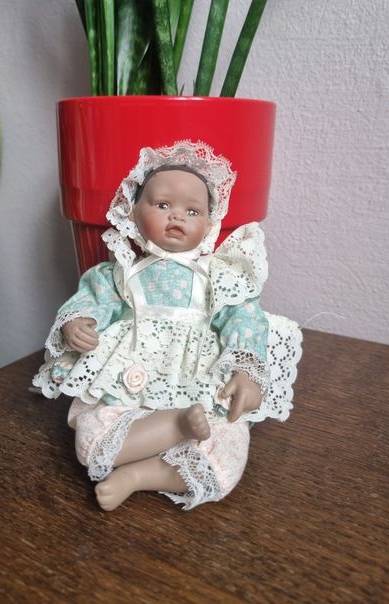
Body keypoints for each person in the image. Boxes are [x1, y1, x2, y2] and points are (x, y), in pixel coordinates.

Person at [33, 141, 301, 510]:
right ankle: (173, 427)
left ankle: (137, 476)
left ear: (209, 223)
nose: (177, 216)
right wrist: (78, 322)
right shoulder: (121, 272)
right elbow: (93, 300)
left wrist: (246, 371)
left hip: (198, 383)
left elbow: (243, 316)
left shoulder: (216, 275)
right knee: (90, 441)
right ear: (133, 211)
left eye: (192, 210)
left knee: (226, 455)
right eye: (162, 205)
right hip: (129, 382)